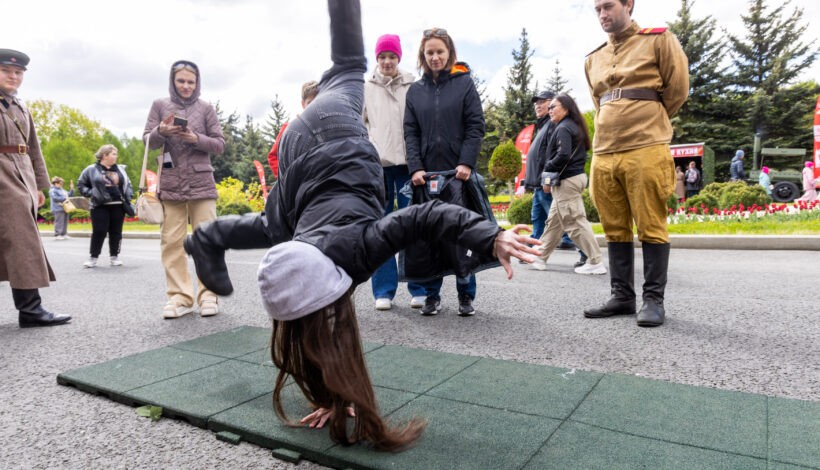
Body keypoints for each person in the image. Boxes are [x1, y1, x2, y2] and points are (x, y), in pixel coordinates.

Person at [182, 0, 539, 450]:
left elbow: (425, 215)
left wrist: (494, 237)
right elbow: (426, 215)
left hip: (322, 135)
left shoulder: (359, 247)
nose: (330, 319)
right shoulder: (328, 248)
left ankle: (209, 238)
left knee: (276, 225)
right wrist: (493, 235)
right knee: (275, 223)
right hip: (311, 148)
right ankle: (208, 237)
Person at [583, 0, 689, 327]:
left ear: (628, 4)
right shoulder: (593, 58)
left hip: (646, 146)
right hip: (604, 152)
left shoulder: (658, 40)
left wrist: (648, 119)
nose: (603, 14)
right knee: (614, 226)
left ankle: (653, 301)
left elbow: (678, 90)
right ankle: (622, 296)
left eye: (609, 6)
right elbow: (598, 103)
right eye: (597, 8)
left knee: (650, 224)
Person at [403, 27, 486, 316]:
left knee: (461, 236)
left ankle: (466, 294)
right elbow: (410, 132)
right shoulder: (415, 91)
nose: (435, 57)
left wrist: (466, 162)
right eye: (430, 52)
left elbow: (476, 126)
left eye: (440, 51)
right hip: (426, 177)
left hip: (457, 175)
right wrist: (416, 167)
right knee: (429, 238)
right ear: (423, 56)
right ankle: (431, 296)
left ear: (450, 52)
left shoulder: (464, 84)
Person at [143, 59, 225, 319]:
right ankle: (180, 297)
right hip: (171, 183)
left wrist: (195, 138)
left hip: (202, 183)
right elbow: (146, 140)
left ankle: (208, 294)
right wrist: (162, 131)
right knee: (172, 243)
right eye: (181, 81)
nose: (186, 86)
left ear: (197, 83)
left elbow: (220, 145)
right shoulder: (159, 105)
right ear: (173, 81)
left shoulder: (206, 108)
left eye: (191, 81)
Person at [0, 49, 71, 328]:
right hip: (3, 177)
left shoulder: (19, 106)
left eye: (18, 73)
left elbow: (33, 149)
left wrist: (41, 184)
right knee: (22, 241)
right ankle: (31, 310)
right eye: (7, 71)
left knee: (20, 242)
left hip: (22, 175)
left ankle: (30, 310)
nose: (13, 76)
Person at [363, 33, 427, 311]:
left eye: (392, 56)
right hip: (378, 168)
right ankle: (383, 290)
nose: (387, 61)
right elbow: (359, 123)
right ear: (376, 59)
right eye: (382, 57)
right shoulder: (365, 87)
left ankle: (419, 285)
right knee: (381, 229)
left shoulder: (412, 84)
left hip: (408, 166)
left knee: (413, 227)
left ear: (398, 58)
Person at [529, 93, 606, 276]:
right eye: (549, 108)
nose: (549, 110)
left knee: (574, 221)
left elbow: (563, 155)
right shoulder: (572, 126)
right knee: (554, 222)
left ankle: (595, 261)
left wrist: (547, 168)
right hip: (571, 179)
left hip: (567, 181)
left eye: (553, 106)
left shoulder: (563, 127)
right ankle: (540, 257)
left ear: (566, 107)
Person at [522, 90, 585, 267]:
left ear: (553, 105)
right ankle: (534, 253)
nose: (538, 105)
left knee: (565, 219)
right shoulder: (543, 125)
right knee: (538, 220)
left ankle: (585, 252)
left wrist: (547, 180)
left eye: (543, 102)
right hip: (538, 183)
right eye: (536, 103)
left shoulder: (554, 124)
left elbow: (555, 155)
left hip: (546, 183)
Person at [77, 144, 133, 268]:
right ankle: (93, 258)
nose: (116, 156)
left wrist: (129, 196)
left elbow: (128, 184)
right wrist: (92, 193)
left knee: (116, 232)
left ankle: (114, 256)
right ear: (104, 155)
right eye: (113, 154)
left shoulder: (120, 169)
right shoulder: (91, 169)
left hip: (118, 205)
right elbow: (81, 184)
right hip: (100, 205)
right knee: (99, 231)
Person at [266, 81, 319, 178]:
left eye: (317, 102)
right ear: (303, 104)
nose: (313, 107)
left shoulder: (326, 128)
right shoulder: (288, 128)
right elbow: (273, 157)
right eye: (310, 103)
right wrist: (287, 178)